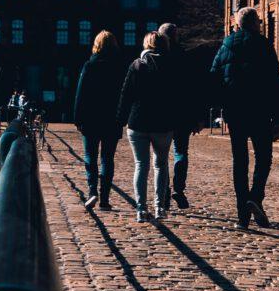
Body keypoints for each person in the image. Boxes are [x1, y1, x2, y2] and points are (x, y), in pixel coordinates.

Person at [209, 7, 279, 231]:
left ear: (237, 24)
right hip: (261, 112)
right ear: (253, 23)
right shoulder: (264, 45)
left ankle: (243, 214)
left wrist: (222, 105)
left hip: (235, 113)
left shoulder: (226, 45)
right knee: (264, 157)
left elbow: (213, 78)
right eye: (259, 22)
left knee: (239, 161)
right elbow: (276, 83)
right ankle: (255, 196)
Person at [117, 30, 179, 222]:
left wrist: (120, 120)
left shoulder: (137, 65)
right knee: (161, 165)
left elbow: (125, 95)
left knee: (141, 165)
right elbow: (178, 97)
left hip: (138, 122)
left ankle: (141, 209)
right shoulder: (171, 65)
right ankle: (160, 208)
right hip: (163, 123)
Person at [73, 30, 123, 212]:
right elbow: (123, 95)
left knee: (90, 157)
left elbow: (81, 93)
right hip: (112, 119)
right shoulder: (119, 66)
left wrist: (77, 118)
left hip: (91, 119)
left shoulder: (89, 66)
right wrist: (122, 117)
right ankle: (105, 199)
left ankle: (92, 190)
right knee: (107, 159)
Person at [158, 21, 202, 210]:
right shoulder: (185, 57)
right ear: (176, 36)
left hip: (162, 114)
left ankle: (165, 191)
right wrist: (197, 117)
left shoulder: (157, 58)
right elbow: (194, 90)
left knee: (161, 155)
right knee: (181, 152)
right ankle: (178, 188)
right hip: (183, 115)